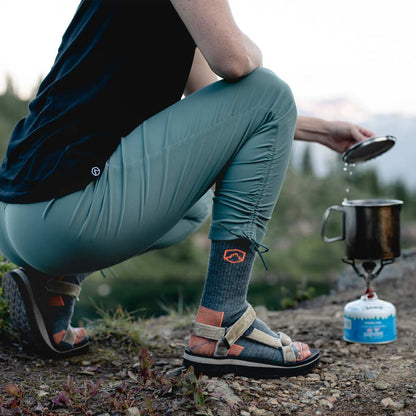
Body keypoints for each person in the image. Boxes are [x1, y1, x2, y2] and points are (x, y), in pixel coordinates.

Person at [0, 0, 374, 378]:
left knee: (195, 204)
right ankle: (224, 321)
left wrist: (321, 130)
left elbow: (219, 100)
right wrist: (251, 47)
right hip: (67, 218)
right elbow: (236, 62)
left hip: (20, 218)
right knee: (271, 89)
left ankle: (52, 288)